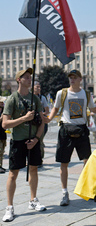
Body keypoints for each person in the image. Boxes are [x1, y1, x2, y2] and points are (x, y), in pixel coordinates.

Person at [47, 69, 96, 207]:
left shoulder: (86, 94)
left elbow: (94, 109)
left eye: (75, 77)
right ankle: (64, 192)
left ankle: (88, 189)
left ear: (80, 79)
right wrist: (48, 120)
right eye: (70, 78)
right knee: (64, 163)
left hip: (82, 130)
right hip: (66, 130)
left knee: (87, 161)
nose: (72, 80)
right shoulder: (62, 93)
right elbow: (55, 108)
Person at [2, 68, 46, 222]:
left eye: (30, 77)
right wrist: (24, 119)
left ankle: (33, 200)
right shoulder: (12, 99)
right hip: (18, 141)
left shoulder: (35, 99)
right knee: (13, 174)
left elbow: (42, 122)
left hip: (33, 140)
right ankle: (9, 207)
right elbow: (5, 123)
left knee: (33, 169)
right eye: (26, 77)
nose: (29, 79)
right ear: (19, 80)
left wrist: (36, 139)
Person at [33, 81, 50, 162]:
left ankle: (40, 159)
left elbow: (47, 110)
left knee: (39, 140)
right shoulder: (30, 97)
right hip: (31, 123)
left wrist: (41, 113)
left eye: (39, 87)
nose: (39, 89)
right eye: (37, 87)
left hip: (41, 122)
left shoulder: (42, 98)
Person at [0, 96, 7, 174]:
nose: (3, 103)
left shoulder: (4, 111)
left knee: (2, 151)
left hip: (3, 134)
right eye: (1, 102)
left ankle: (1, 165)